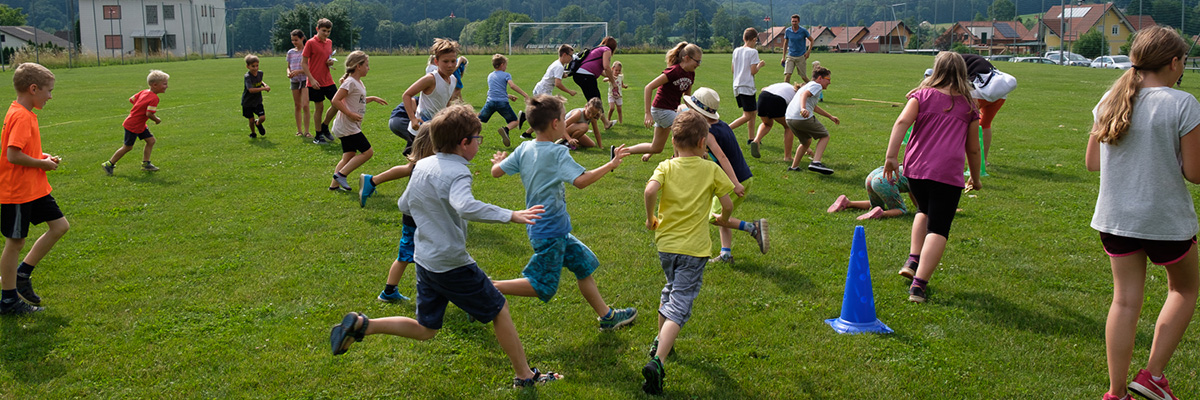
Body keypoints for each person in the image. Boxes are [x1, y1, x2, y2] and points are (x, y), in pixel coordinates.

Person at [329, 105, 562, 389]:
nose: (478, 144)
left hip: (425, 259)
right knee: (499, 309)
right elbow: (465, 206)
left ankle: (364, 325)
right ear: (464, 143)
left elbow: (405, 204)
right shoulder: (458, 173)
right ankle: (525, 376)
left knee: (427, 329)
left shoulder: (423, 165)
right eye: (478, 139)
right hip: (451, 263)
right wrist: (510, 215)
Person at [1085, 26, 1199, 400]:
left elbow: (1092, 162)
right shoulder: (1182, 103)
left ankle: (1117, 393)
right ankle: (1151, 376)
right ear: (1174, 62)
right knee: (1184, 288)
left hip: (1116, 219)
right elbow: (1195, 173)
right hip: (1165, 220)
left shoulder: (1109, 99)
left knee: (1124, 301)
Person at [489, 94, 638, 330]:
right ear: (556, 124)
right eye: (563, 117)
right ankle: (489, 287)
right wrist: (610, 165)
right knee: (542, 285)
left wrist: (498, 161)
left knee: (583, 264)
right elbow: (581, 181)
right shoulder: (558, 153)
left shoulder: (524, 148)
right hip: (550, 230)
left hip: (547, 227)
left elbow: (496, 172)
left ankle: (607, 317)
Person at [640, 109, 734, 395]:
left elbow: (649, 191)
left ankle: (660, 341)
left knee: (670, 289)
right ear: (703, 143)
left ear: (673, 142)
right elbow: (727, 203)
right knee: (680, 302)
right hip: (694, 250)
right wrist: (723, 219)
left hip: (665, 245)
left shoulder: (666, 167)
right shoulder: (711, 170)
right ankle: (658, 361)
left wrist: (650, 218)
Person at [883, 51, 982, 304]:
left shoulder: (921, 95)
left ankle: (913, 259)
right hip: (947, 173)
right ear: (963, 73)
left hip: (916, 169)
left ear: (936, 70)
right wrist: (976, 176)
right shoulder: (970, 106)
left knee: (923, 211)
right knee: (938, 228)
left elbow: (901, 123)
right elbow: (973, 147)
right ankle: (918, 286)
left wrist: (891, 157)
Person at [0, 63, 68, 315]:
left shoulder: (23, 113)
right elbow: (12, 155)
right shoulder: (20, 115)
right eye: (48, 91)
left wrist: (40, 156)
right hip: (17, 190)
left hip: (35, 187)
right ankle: (8, 300)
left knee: (60, 226)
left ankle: (22, 274)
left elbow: (20, 150)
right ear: (33, 89)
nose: (50, 96)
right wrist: (41, 163)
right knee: (15, 242)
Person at [360, 38, 460, 207]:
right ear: (436, 62)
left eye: (453, 61)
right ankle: (424, 201)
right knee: (424, 167)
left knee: (416, 168)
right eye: (445, 62)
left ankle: (372, 181)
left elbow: (445, 105)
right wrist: (413, 118)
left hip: (434, 132)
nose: (450, 65)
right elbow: (407, 95)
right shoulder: (431, 79)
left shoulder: (454, 81)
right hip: (421, 132)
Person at [681, 88, 769, 265]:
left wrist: (735, 183)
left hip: (735, 180)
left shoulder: (709, 133)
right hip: (740, 177)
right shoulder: (720, 125)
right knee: (723, 217)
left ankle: (753, 228)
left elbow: (722, 156)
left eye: (691, 109)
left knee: (714, 217)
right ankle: (726, 254)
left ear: (700, 113)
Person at [377, 130, 436, 303]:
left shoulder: (418, 165)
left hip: (411, 217)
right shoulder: (426, 168)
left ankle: (389, 291)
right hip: (421, 219)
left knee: (404, 256)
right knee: (432, 257)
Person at [628, 42, 702, 162]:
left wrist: (689, 113)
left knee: (656, 148)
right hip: (660, 109)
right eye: (697, 61)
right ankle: (678, 159)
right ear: (687, 58)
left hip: (671, 109)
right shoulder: (674, 71)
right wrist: (647, 113)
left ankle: (619, 151)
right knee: (682, 129)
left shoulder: (691, 74)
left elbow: (686, 97)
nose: (699, 64)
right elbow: (648, 87)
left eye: (700, 62)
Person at [326, 51, 387, 192]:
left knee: (348, 156)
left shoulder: (357, 82)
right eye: (366, 65)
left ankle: (334, 186)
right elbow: (335, 100)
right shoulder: (349, 82)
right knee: (368, 152)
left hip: (348, 125)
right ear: (358, 66)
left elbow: (355, 100)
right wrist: (350, 114)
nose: (368, 68)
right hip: (347, 126)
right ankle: (341, 175)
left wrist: (371, 99)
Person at [102, 70, 169, 175]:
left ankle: (146, 164)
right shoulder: (154, 98)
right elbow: (149, 114)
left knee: (151, 141)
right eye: (164, 84)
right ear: (155, 85)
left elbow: (132, 99)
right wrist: (157, 120)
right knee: (128, 147)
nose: (167, 86)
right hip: (133, 125)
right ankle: (109, 164)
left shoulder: (144, 92)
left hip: (139, 124)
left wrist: (138, 108)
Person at [785, 66, 839, 174]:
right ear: (820, 78)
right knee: (824, 135)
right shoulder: (816, 85)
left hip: (790, 118)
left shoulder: (808, 85)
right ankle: (816, 162)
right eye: (828, 79)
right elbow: (804, 95)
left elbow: (813, 106)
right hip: (801, 117)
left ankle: (794, 167)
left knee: (806, 141)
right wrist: (803, 108)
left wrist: (830, 117)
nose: (830, 82)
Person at [526, 45, 578, 139]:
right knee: (552, 112)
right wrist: (569, 92)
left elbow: (558, 75)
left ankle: (527, 132)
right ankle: (559, 132)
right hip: (543, 91)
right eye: (571, 55)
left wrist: (567, 74)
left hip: (541, 88)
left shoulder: (557, 63)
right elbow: (558, 83)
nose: (572, 58)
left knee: (544, 114)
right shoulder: (559, 67)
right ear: (565, 55)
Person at [962, 53, 1005, 165]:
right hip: (999, 92)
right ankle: (983, 160)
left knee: (964, 123)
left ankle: (969, 158)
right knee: (985, 124)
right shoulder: (973, 59)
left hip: (979, 93)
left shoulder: (954, 61)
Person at [827, 166, 914, 220]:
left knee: (876, 205)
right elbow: (914, 193)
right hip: (883, 181)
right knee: (901, 210)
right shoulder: (922, 176)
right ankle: (881, 214)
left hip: (874, 176)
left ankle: (848, 203)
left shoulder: (911, 166)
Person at [478, 54, 528, 147]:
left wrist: (508, 96)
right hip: (502, 103)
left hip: (490, 102)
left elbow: (495, 90)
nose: (506, 67)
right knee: (515, 121)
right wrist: (525, 95)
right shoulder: (506, 75)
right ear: (501, 65)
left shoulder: (490, 75)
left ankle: (471, 135)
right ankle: (506, 130)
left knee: (478, 120)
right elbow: (512, 86)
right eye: (505, 65)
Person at [302, 18, 338, 144]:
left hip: (328, 80)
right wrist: (311, 80)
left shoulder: (329, 42)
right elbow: (304, 63)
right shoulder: (310, 43)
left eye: (328, 31)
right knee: (319, 107)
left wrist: (330, 62)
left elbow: (326, 58)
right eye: (324, 31)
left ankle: (324, 126)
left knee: (337, 103)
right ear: (317, 29)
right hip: (315, 82)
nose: (326, 34)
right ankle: (318, 135)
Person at [729, 28, 767, 142]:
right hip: (747, 86)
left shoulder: (736, 50)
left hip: (737, 85)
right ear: (754, 39)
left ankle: (752, 138)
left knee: (753, 112)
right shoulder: (753, 52)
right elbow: (753, 71)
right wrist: (760, 65)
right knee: (748, 115)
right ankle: (725, 129)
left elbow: (732, 69)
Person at [571, 36, 618, 129]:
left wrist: (611, 76)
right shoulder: (606, 49)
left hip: (579, 75)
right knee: (595, 102)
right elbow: (606, 67)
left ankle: (594, 122)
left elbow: (600, 70)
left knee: (592, 100)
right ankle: (602, 123)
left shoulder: (597, 49)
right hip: (586, 76)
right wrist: (613, 82)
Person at [748, 82, 799, 160]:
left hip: (763, 96)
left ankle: (756, 140)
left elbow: (763, 89)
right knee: (788, 127)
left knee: (767, 124)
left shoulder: (785, 85)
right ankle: (787, 157)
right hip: (777, 100)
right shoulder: (798, 96)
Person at [286, 29, 312, 138]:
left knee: (305, 105)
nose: (294, 42)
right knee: (297, 105)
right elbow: (288, 67)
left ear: (302, 38)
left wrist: (299, 71)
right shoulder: (290, 52)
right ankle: (299, 130)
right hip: (295, 81)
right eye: (292, 40)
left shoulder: (307, 51)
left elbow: (310, 67)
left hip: (305, 80)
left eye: (296, 40)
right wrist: (289, 73)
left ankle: (307, 131)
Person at [242, 54, 270, 139]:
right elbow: (250, 90)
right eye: (253, 66)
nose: (255, 68)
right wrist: (263, 89)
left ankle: (258, 123)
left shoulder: (260, 73)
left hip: (257, 101)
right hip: (248, 102)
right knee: (250, 120)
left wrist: (264, 84)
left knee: (262, 117)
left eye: (257, 66)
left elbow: (260, 81)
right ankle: (253, 133)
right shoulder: (247, 77)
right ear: (248, 66)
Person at [780, 14, 812, 84]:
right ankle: (786, 92)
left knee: (803, 77)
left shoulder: (803, 31)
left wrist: (808, 52)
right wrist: (783, 57)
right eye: (793, 21)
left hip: (801, 56)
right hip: (790, 56)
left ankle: (813, 87)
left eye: (795, 21)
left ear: (799, 22)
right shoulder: (788, 31)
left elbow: (812, 40)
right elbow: (785, 44)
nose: (794, 23)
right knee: (787, 75)